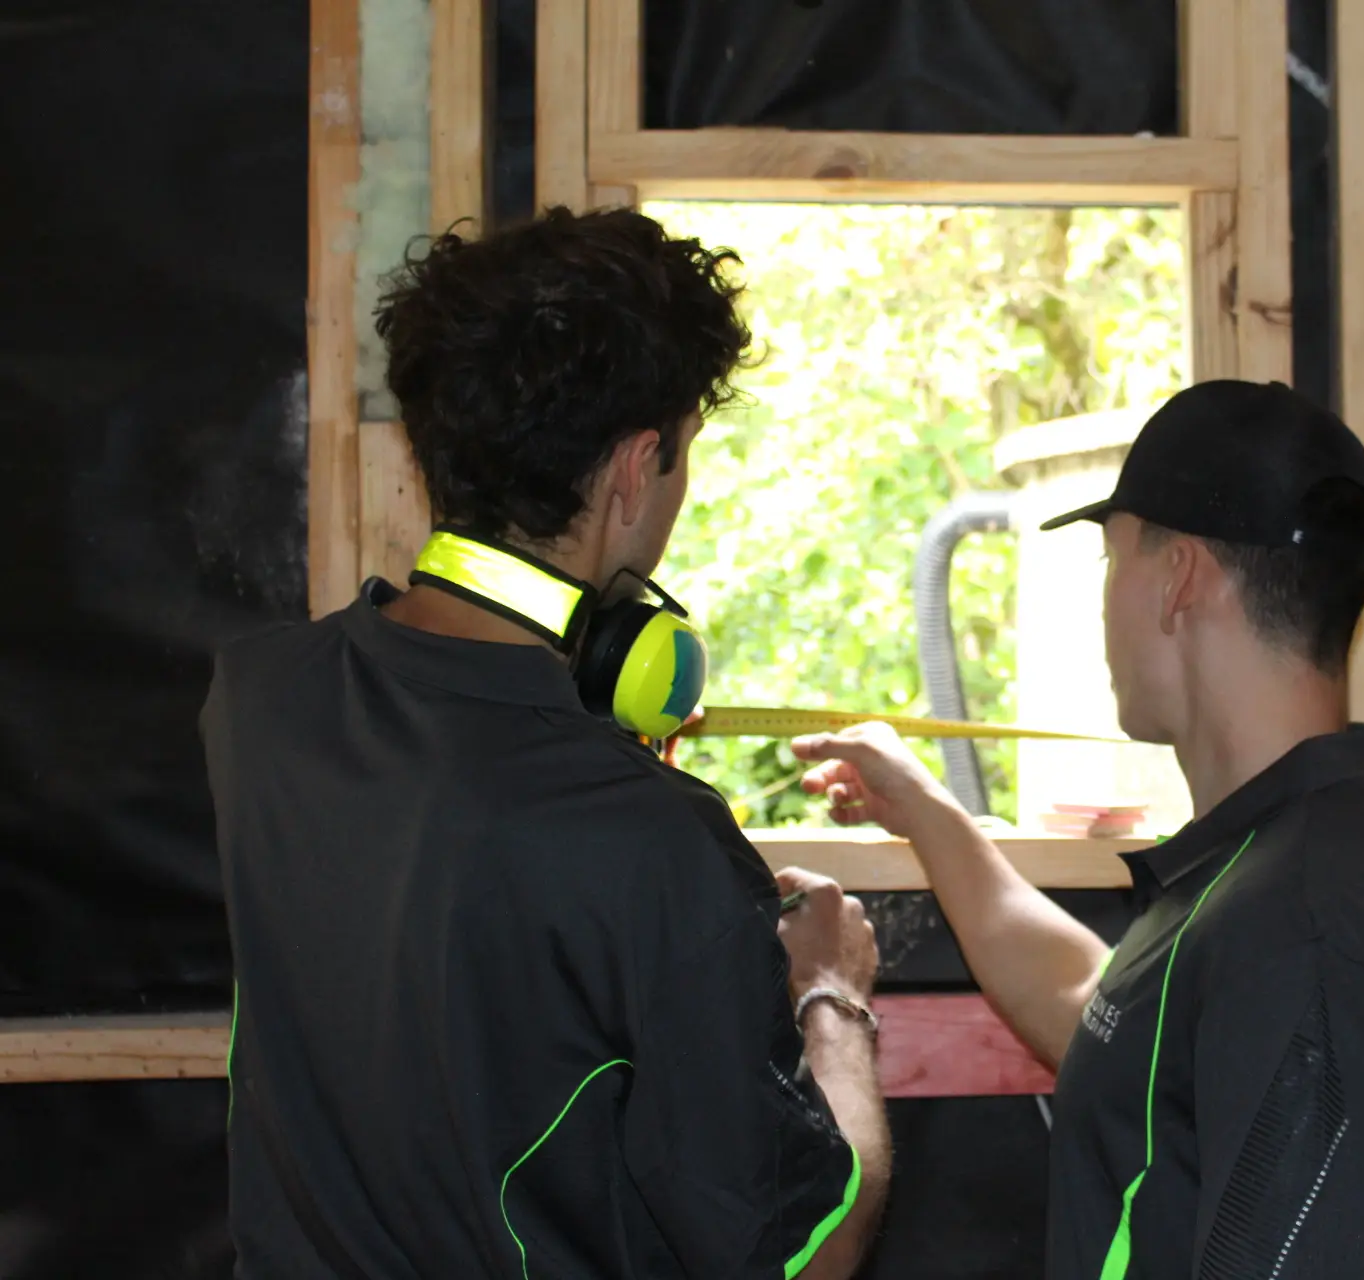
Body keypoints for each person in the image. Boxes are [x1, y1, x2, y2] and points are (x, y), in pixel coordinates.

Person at [202, 208, 889, 1278]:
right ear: (636, 469)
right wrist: (831, 997)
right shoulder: (653, 840)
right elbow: (813, 1250)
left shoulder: (257, 701)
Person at [792, 380, 1364, 1278]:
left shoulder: (1313, 927)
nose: (1105, 600)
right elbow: (1104, 1019)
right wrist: (926, 811)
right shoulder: (1274, 866)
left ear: (1177, 579)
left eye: (1111, 559)